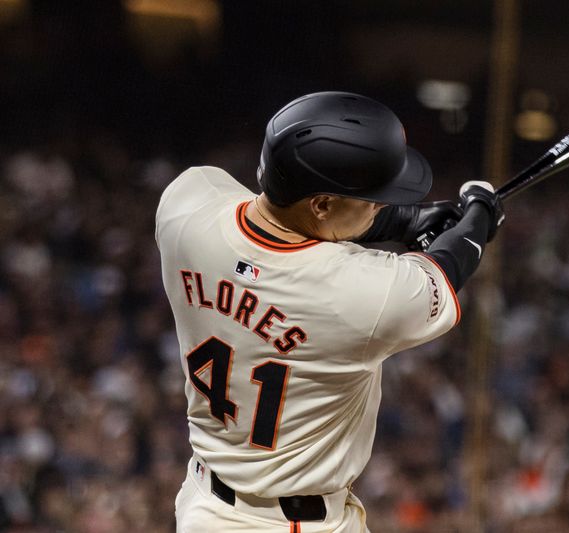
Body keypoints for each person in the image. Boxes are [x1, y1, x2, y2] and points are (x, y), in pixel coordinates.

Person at [155, 91, 504, 532]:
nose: (381, 205)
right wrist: (479, 212)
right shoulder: (361, 294)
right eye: (374, 198)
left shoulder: (185, 204)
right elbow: (447, 269)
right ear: (321, 203)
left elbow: (281, 217)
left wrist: (404, 220)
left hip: (206, 504)